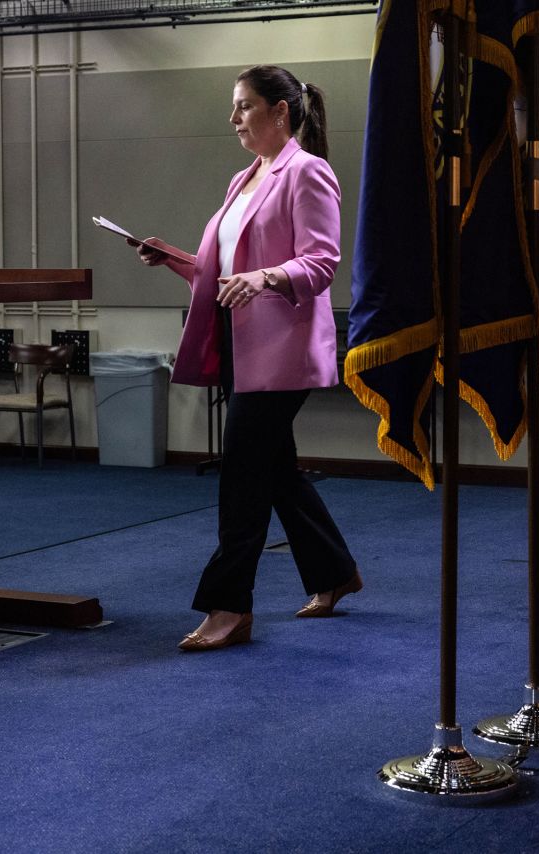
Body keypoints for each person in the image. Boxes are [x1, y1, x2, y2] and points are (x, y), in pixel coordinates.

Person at [136, 65, 361, 651]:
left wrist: (264, 277)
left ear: (279, 111)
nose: (233, 118)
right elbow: (225, 272)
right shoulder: (244, 179)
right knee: (274, 471)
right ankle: (335, 573)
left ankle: (228, 606)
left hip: (282, 354)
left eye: (243, 107)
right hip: (243, 346)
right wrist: (177, 260)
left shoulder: (308, 173)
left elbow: (321, 263)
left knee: (241, 473)